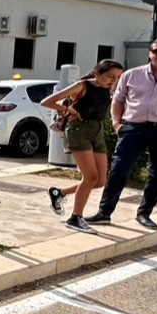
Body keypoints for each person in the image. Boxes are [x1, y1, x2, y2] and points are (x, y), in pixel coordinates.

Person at [85, 40, 157, 230]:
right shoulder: (132, 75)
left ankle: (144, 213)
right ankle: (104, 213)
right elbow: (117, 100)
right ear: (149, 53)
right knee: (119, 170)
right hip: (134, 128)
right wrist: (117, 123)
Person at [41, 59, 124, 231]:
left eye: (117, 77)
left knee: (100, 180)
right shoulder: (82, 85)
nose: (113, 80)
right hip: (79, 130)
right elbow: (47, 102)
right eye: (110, 76)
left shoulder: (106, 88)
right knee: (90, 177)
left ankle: (59, 193)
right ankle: (75, 217)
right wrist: (69, 110)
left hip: (97, 130)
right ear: (96, 73)